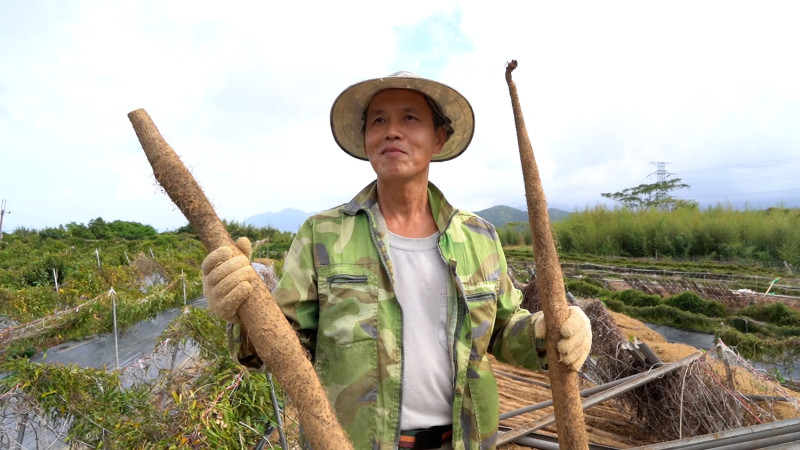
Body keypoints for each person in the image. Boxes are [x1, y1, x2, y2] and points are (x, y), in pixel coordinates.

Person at [202, 72, 592, 450]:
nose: (392, 131)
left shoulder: (479, 237)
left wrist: (549, 329)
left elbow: (504, 329)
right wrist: (245, 311)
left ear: (439, 138)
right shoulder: (322, 235)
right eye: (379, 121)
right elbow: (285, 345)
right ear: (367, 139)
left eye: (409, 118)